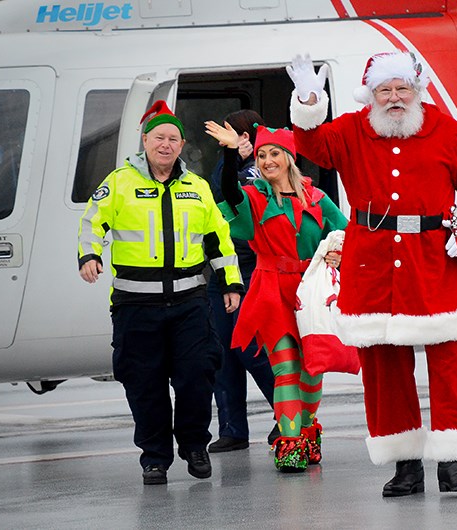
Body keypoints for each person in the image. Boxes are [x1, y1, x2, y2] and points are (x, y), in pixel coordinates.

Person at [286, 52, 457, 496]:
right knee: (383, 365)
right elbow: (310, 148)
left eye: (403, 88)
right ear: (371, 95)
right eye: (385, 90)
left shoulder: (445, 129)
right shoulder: (349, 130)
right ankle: (405, 465)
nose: (395, 98)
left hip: (436, 257)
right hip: (372, 259)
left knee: (452, 361)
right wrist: (308, 101)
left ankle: (452, 461)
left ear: (417, 91)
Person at [78, 100, 243, 485]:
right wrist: (89, 255)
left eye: (173, 139)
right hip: (136, 304)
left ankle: (194, 446)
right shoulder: (119, 182)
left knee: (197, 375)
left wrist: (231, 282)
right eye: (159, 138)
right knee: (144, 382)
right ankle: (154, 457)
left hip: (189, 301)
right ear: (145, 141)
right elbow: (92, 223)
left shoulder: (196, 187)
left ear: (182, 145)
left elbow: (218, 238)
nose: (166, 145)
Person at [204, 119, 348, 472]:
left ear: (289, 158)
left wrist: (337, 250)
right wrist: (229, 153)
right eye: (262, 154)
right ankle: (291, 447)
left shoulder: (317, 198)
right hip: (271, 288)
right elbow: (228, 194)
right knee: (285, 368)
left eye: (274, 154)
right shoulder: (254, 197)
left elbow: (347, 232)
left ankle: (307, 432)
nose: (266, 160)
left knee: (312, 372)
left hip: (311, 289)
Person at [204, 110, 279, 453]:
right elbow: (217, 195)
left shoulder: (267, 165)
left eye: (236, 135)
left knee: (252, 349)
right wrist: (230, 154)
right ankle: (233, 428)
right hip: (221, 267)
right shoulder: (228, 162)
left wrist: (243, 157)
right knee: (223, 353)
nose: (231, 140)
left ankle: (290, 413)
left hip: (252, 267)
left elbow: (245, 198)